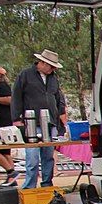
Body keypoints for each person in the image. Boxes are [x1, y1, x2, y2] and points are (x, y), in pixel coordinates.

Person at [11, 49, 68, 188]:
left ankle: (47, 184)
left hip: (51, 122)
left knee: (48, 156)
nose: (53, 69)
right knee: (32, 157)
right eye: (51, 66)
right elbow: (16, 97)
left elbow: (59, 98)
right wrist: (17, 119)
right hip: (32, 123)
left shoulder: (54, 78)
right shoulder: (25, 75)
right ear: (41, 63)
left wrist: (62, 118)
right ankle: (30, 186)